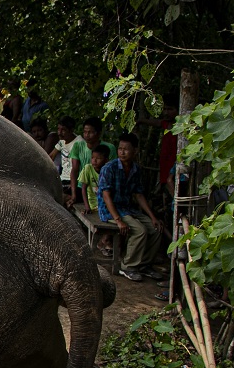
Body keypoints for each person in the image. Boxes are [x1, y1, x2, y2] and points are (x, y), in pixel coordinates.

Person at [98, 133, 163, 281]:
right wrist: (118, 219)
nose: (122, 152)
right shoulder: (109, 168)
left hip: (127, 208)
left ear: (135, 151)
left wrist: (153, 217)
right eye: (120, 149)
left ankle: (144, 264)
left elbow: (139, 195)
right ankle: (127, 266)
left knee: (155, 228)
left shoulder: (135, 169)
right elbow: (106, 196)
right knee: (139, 231)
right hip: (109, 210)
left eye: (126, 149)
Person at [67, 117, 116, 207]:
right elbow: (75, 170)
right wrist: (74, 194)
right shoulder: (78, 145)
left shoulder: (109, 148)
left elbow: (112, 171)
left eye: (90, 132)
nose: (86, 135)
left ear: (98, 133)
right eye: (85, 132)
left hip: (101, 187)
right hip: (82, 186)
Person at [76, 144, 113, 257]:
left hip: (104, 205)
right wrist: (87, 206)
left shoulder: (108, 170)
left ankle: (105, 243)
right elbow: (83, 188)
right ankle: (104, 243)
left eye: (98, 158)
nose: (94, 160)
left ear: (106, 159)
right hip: (92, 204)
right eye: (93, 158)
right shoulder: (88, 168)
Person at [49, 115, 76, 179]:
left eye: (63, 130)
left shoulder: (79, 143)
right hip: (62, 178)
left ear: (71, 130)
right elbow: (51, 157)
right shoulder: (62, 141)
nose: (59, 133)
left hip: (72, 179)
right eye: (58, 129)